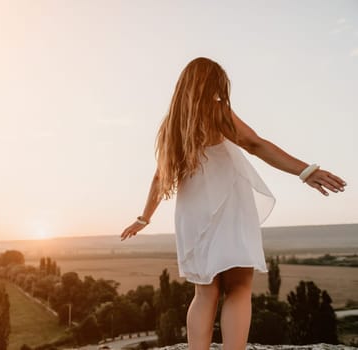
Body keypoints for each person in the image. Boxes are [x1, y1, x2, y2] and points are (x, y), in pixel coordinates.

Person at [120, 57, 346, 350]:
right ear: (212, 84)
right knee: (239, 288)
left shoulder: (170, 126)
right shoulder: (216, 110)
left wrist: (144, 217)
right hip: (228, 207)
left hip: (192, 214)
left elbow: (159, 178)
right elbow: (254, 144)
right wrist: (305, 171)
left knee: (205, 293)